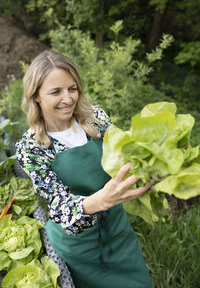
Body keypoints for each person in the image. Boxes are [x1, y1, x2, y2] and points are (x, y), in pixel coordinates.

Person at [16, 50, 153, 288]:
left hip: (118, 233)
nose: (68, 99)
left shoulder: (96, 119)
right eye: (55, 92)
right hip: (78, 248)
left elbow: (126, 156)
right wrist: (101, 199)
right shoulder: (31, 147)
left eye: (72, 88)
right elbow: (59, 206)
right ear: (36, 96)